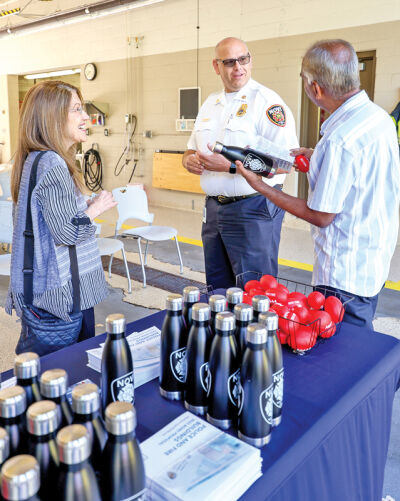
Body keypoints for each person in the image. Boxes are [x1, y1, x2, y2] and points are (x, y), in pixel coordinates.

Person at [234, 39, 400, 329]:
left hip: (343, 279)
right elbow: (361, 175)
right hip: (372, 263)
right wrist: (318, 158)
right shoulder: (377, 118)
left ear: (316, 88)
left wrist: (261, 186)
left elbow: (321, 216)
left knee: (344, 354)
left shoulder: (339, 140)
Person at [182, 37, 299, 289]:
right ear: (216, 66)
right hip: (213, 211)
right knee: (218, 290)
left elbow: (283, 163)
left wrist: (231, 167)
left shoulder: (267, 103)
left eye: (243, 59)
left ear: (250, 60)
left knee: (256, 292)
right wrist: (188, 160)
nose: (238, 67)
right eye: (230, 62)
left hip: (253, 210)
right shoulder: (210, 103)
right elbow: (190, 148)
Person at [6, 80, 117, 343]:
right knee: (71, 368)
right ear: (52, 117)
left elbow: (48, 221)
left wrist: (84, 208)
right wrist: (96, 209)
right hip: (62, 295)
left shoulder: (33, 158)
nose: (85, 117)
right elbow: (67, 232)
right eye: (76, 109)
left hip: (44, 290)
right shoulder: (53, 163)